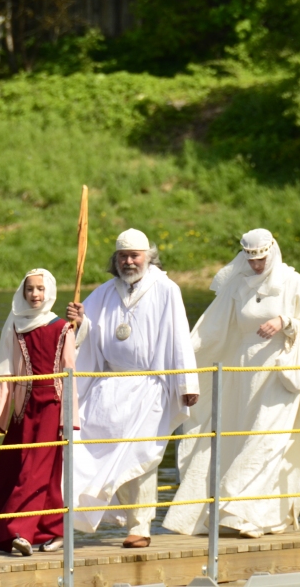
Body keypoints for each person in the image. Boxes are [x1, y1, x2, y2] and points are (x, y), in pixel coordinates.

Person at [163, 229, 300, 538]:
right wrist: (180, 354)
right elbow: (212, 327)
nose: (256, 265)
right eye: (251, 260)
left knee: (268, 439)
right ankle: (235, 513)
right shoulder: (237, 285)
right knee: (237, 438)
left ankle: (239, 510)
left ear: (272, 252)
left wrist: (285, 323)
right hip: (242, 373)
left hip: (279, 370)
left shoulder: (293, 283)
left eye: (261, 259)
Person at [65, 228, 199, 549]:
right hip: (108, 387)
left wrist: (186, 382)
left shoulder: (166, 289)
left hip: (148, 386)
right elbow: (90, 336)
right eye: (122, 256)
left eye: (134, 255)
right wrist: (80, 321)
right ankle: (114, 516)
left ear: (148, 257)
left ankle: (141, 526)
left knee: (141, 454)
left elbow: (180, 336)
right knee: (91, 448)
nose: (128, 261)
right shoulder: (103, 293)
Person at [0, 269, 78, 556]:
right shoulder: (17, 324)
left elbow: (71, 374)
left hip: (52, 406)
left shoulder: (62, 328)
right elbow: (8, 372)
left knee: (35, 470)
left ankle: (18, 532)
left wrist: (70, 417)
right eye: (30, 289)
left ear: (50, 292)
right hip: (24, 407)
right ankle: (52, 530)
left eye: (41, 289)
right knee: (18, 467)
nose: (35, 295)